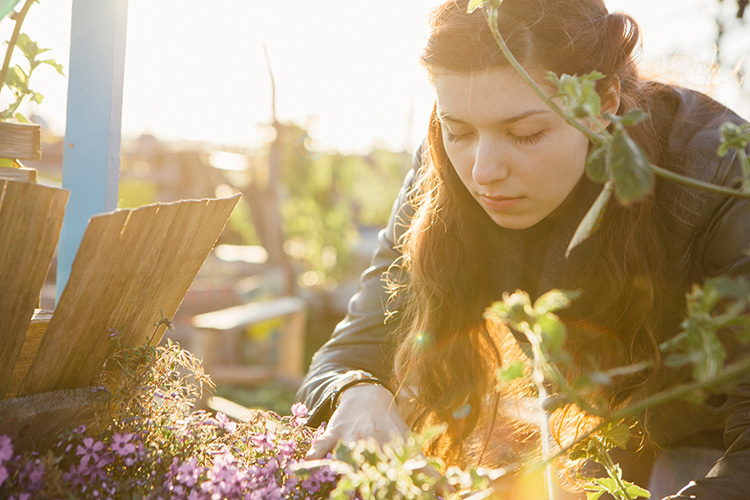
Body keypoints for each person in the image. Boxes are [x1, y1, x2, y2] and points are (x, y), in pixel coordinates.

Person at [296, 0, 750, 498]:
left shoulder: (723, 176)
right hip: (596, 433)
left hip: (711, 439)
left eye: (525, 134)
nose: (483, 171)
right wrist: (358, 392)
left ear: (602, 106)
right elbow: (350, 349)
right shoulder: (444, 173)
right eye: (458, 131)